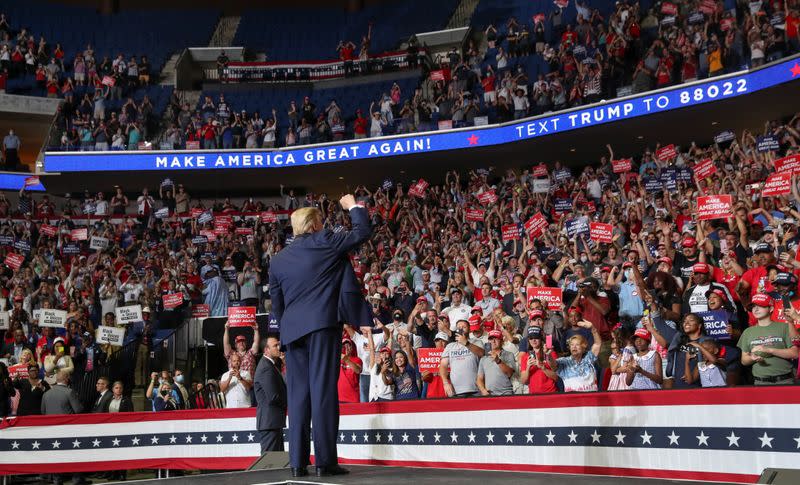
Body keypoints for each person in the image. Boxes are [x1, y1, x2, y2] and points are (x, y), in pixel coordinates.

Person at [268, 194, 372, 478]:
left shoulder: (277, 261)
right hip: (322, 325)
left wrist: (284, 328)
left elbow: (276, 305)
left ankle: (298, 463)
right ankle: (325, 462)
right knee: (323, 391)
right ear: (313, 225)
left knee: (299, 395)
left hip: (292, 331)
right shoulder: (325, 240)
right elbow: (362, 232)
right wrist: (352, 207)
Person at [739, 293, 798, 385]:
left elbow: (795, 353)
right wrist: (752, 358)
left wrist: (769, 350)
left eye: (760, 306)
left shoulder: (785, 327)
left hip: (785, 381)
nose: (756, 309)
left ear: (771, 309)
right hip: (760, 382)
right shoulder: (747, 332)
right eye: (753, 306)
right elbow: (744, 360)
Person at [254, 335, 287, 453]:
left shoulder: (271, 365)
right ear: (266, 350)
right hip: (270, 422)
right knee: (268, 464)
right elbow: (273, 396)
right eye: (275, 345)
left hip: (273, 421)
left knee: (276, 462)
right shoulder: (266, 367)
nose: (279, 347)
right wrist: (290, 401)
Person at [550, 319, 602, 392]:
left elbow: (597, 344)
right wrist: (548, 355)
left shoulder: (589, 358)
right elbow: (553, 366)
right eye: (572, 345)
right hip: (573, 401)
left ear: (583, 347)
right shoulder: (564, 361)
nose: (574, 347)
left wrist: (593, 329)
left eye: (577, 345)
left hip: (590, 400)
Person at [439, 319, 485, 397]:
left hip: (475, 389)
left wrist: (466, 343)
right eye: (459, 327)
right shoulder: (450, 346)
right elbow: (443, 366)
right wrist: (445, 382)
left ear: (469, 329)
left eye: (464, 327)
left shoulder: (476, 342)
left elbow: (482, 353)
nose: (461, 329)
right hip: (455, 390)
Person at [477, 329, 517, 396]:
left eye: (496, 339)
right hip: (489, 394)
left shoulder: (509, 354)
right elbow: (479, 378)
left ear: (502, 341)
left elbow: (509, 373)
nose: (493, 341)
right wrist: (483, 390)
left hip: (506, 393)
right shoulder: (484, 358)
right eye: (491, 339)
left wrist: (498, 361)